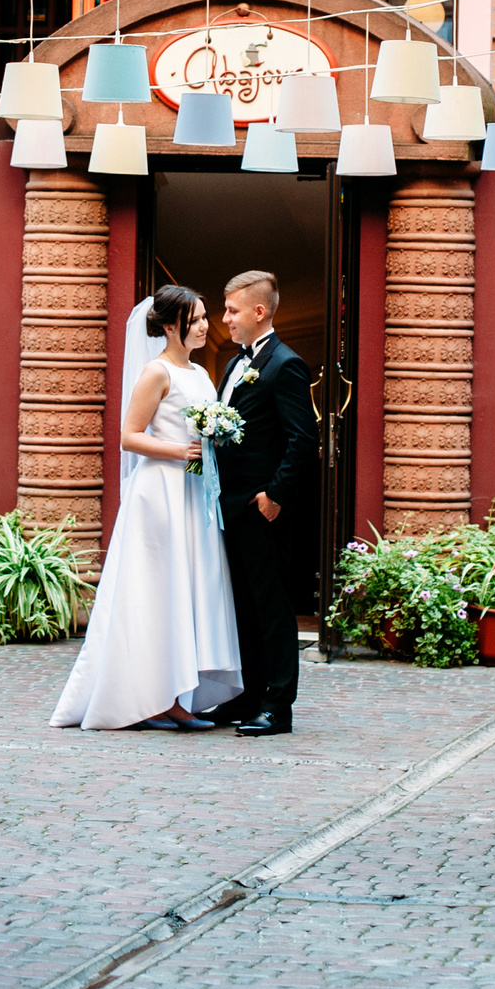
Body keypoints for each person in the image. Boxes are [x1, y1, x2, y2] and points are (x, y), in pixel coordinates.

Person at [49, 285, 244, 731]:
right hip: (159, 494)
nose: (205, 326)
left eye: (205, 317)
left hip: (192, 491)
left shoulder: (201, 373)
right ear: (172, 326)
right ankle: (157, 700)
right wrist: (180, 451)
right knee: (157, 592)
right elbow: (129, 436)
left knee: (185, 591)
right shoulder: (156, 372)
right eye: (196, 319)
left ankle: (174, 697)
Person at [207, 270, 319, 737]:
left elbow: (303, 440)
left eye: (232, 310)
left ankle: (278, 707)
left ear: (258, 311)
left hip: (262, 509)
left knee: (271, 608)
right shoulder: (235, 364)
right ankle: (250, 694)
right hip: (230, 506)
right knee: (244, 607)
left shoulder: (285, 364)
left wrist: (275, 495)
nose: (225, 319)